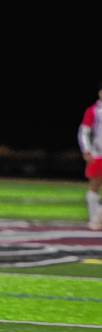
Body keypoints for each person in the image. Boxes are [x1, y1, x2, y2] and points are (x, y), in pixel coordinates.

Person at [78, 81, 102, 231]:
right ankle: (94, 219)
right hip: (98, 154)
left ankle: (98, 218)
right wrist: (86, 150)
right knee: (94, 186)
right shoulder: (93, 111)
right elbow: (84, 132)